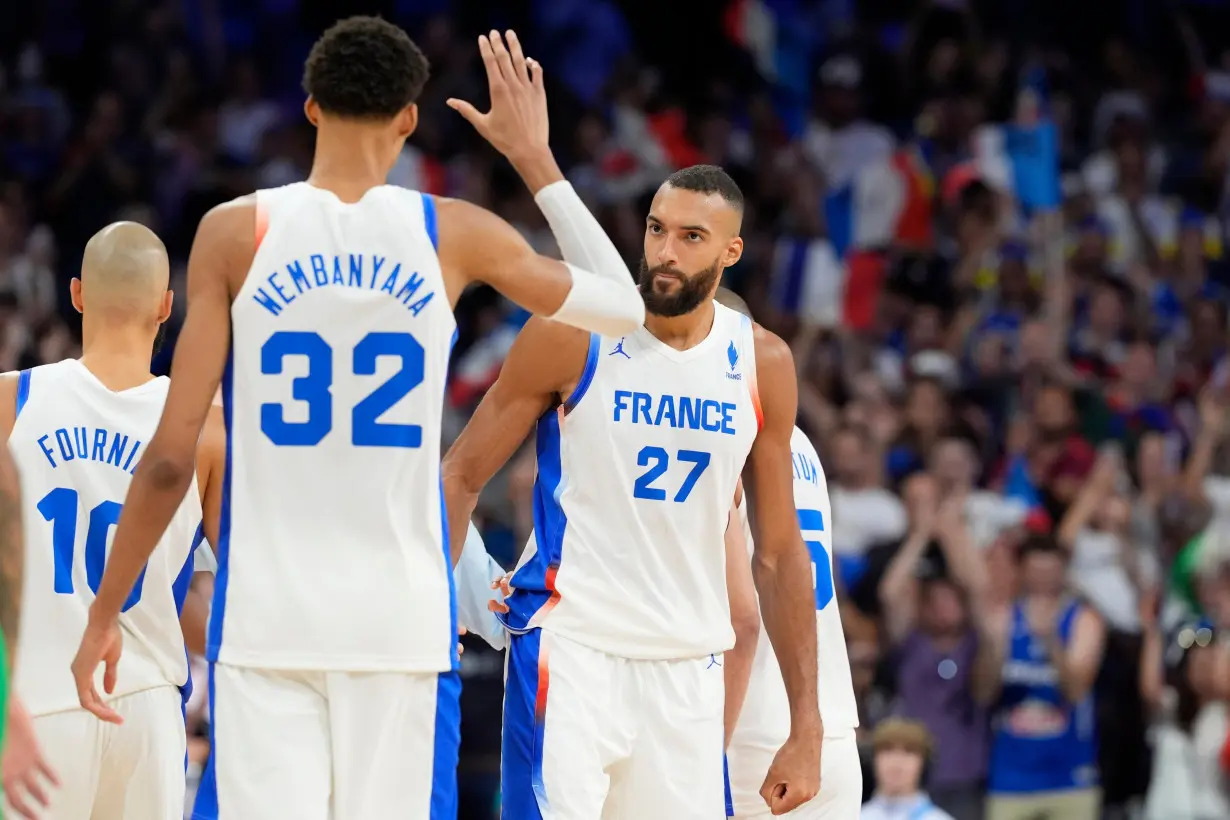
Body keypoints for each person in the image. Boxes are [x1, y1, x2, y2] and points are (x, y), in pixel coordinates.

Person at [71, 18, 644, 820]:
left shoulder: (236, 232)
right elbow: (623, 310)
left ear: (309, 108)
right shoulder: (452, 231)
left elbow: (169, 457)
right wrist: (534, 159)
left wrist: (108, 612)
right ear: (409, 118)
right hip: (399, 619)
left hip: (268, 617)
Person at [441, 164, 823, 819]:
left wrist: (807, 724)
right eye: (656, 229)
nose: (666, 252)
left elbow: (781, 555)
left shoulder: (762, 363)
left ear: (731, 251)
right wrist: (432, 601)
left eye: (692, 236)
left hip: (686, 664)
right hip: (570, 650)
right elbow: (460, 476)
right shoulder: (575, 335)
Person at [1, 222, 223, 820]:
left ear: (75, 295)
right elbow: (246, 583)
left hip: (36, 704)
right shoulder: (205, 426)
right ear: (166, 306)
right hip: (145, 707)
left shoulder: (8, 403)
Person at [726, 420, 861, 819]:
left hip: (742, 731)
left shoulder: (717, 428)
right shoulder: (799, 442)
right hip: (827, 731)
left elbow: (741, 617)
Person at [977, 534, 1106, 820]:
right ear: (1021, 571)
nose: (1043, 580)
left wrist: (1050, 642)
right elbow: (982, 693)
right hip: (1010, 778)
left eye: (1050, 573)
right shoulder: (1003, 619)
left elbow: (1076, 691)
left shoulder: (1083, 620)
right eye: (1036, 572)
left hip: (1070, 777)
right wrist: (993, 650)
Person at [859, 718, 956, 820]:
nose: (896, 762)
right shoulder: (854, 816)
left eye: (909, 751)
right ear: (874, 759)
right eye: (887, 750)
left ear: (923, 762)